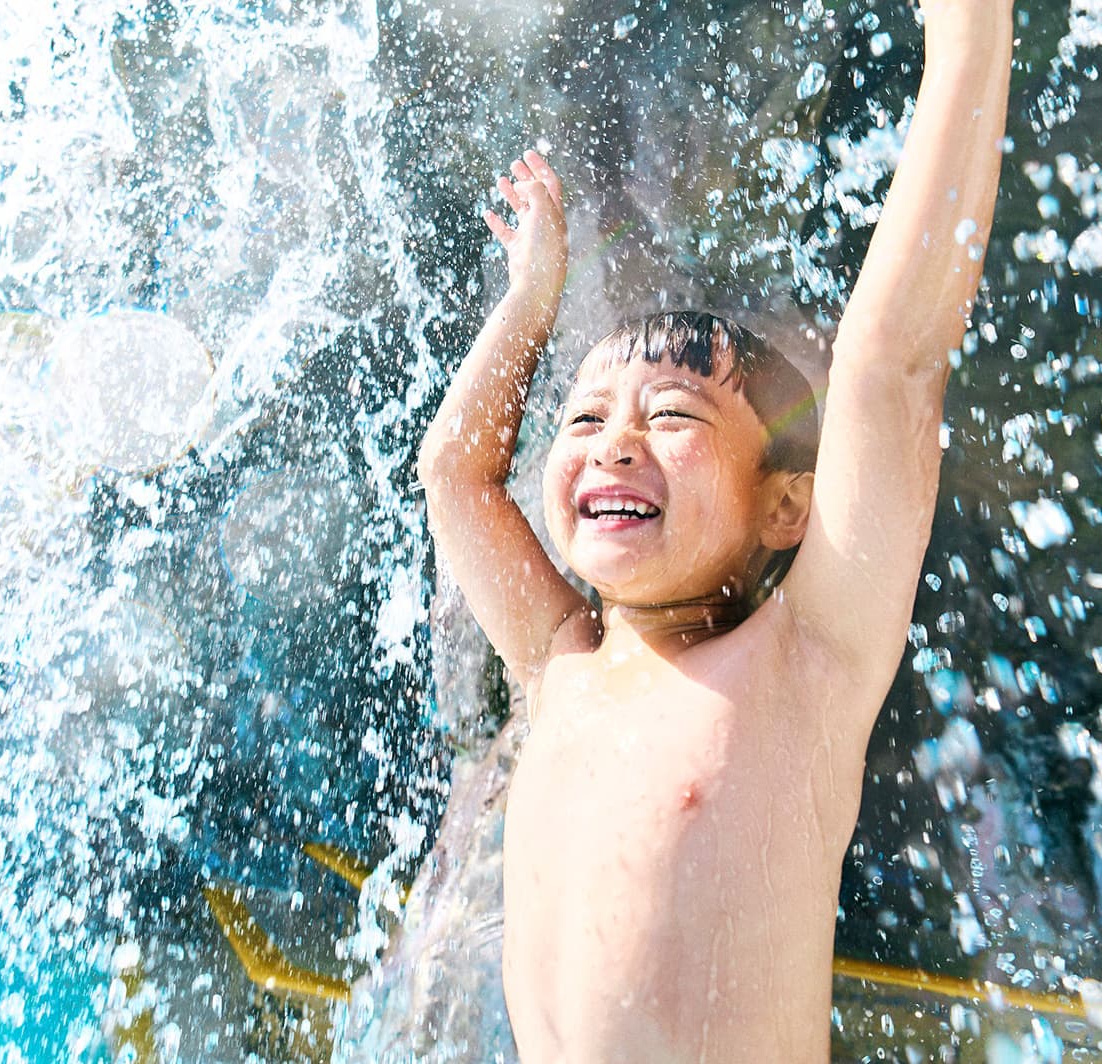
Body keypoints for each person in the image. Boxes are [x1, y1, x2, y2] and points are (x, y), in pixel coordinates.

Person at [414, 0, 1015, 1058]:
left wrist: (967, 38)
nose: (610, 445)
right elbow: (454, 476)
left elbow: (890, 369)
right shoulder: (558, 663)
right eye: (586, 417)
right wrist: (530, 302)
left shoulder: (804, 668)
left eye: (673, 417)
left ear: (787, 502)